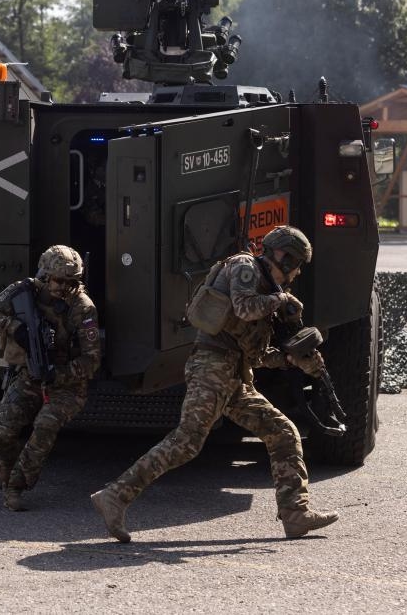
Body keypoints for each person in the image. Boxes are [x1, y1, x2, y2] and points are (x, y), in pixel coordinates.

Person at [90, 225, 338, 542]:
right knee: (187, 441)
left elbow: (257, 355)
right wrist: (281, 301)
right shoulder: (244, 267)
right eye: (298, 264)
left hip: (234, 373)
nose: (297, 273)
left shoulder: (269, 291)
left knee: (282, 432)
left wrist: (293, 360)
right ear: (284, 257)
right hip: (211, 366)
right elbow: (244, 308)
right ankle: (114, 496)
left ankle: (295, 513)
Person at [0, 245, 101, 511]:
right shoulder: (24, 292)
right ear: (45, 276)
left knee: (45, 425)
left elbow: (91, 360)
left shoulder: (82, 308)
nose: (64, 287)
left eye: (72, 282)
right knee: (0, 434)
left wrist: (59, 373)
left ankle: (17, 486)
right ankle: (10, 462)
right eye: (59, 280)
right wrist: (15, 328)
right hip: (28, 374)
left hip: (67, 384)